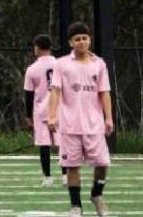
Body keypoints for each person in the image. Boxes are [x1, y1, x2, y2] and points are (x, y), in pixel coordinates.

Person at [47, 22, 113, 217]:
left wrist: (108, 118)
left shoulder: (99, 64)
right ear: (70, 42)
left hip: (94, 124)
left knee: (102, 163)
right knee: (72, 165)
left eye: (85, 38)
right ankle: (76, 205)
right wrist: (52, 115)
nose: (82, 42)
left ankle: (97, 195)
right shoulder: (61, 64)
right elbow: (56, 91)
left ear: (89, 40)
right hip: (70, 124)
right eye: (77, 39)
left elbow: (105, 92)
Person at [23, 34, 62, 186]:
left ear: (37, 48)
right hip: (59, 109)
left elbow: (28, 94)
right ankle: (66, 176)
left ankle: (48, 177)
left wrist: (28, 115)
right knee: (62, 145)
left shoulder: (32, 69)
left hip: (41, 111)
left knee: (44, 144)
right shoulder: (60, 64)